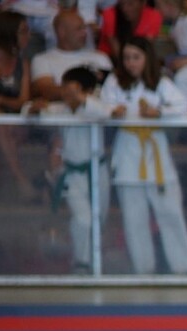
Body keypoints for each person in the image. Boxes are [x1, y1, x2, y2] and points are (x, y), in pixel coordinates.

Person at [102, 38, 187, 275]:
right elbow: (103, 107)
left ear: (147, 59)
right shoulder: (114, 82)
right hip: (127, 152)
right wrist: (114, 112)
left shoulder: (161, 83)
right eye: (127, 58)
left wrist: (158, 112)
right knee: (134, 219)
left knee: (171, 213)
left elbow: (183, 108)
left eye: (136, 57)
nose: (131, 63)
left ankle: (183, 269)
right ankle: (144, 270)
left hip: (156, 153)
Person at [44, 66, 114, 274]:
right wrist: (34, 108)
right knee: (83, 218)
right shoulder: (59, 110)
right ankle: (81, 264)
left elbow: (106, 113)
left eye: (72, 90)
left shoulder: (96, 107)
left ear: (88, 91)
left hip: (98, 172)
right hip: (71, 174)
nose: (67, 95)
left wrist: (83, 100)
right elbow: (34, 111)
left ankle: (95, 263)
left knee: (99, 220)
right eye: (64, 89)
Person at [0, 14, 34, 201]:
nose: (28, 36)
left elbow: (23, 100)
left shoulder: (23, 63)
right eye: (23, 31)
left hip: (14, 122)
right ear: (8, 32)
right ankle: (19, 180)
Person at [30, 11, 111, 102]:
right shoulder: (42, 60)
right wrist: (83, 94)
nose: (85, 33)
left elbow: (112, 88)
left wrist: (74, 93)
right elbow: (46, 90)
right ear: (61, 32)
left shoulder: (101, 57)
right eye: (79, 29)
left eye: (84, 28)